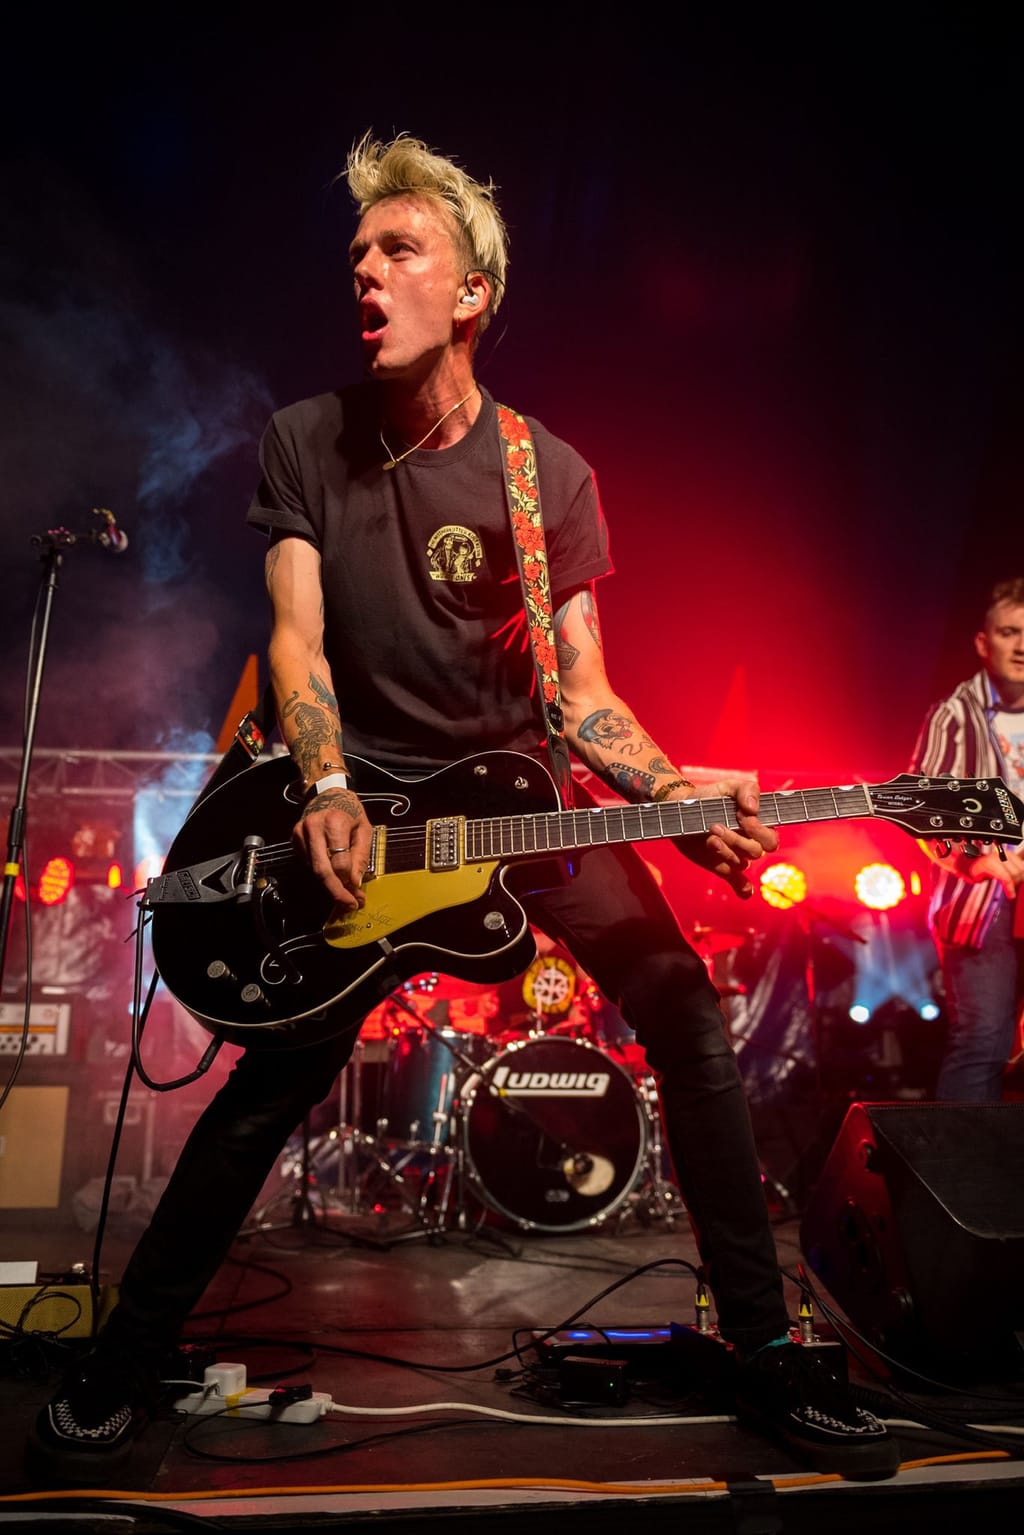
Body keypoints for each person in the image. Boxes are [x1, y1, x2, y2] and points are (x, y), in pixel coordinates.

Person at [29, 132, 898, 1483]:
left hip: (521, 806)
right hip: (362, 813)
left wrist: (669, 792)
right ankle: (122, 1359)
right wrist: (322, 785)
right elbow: (297, 637)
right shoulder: (305, 439)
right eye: (357, 257)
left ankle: (770, 1349)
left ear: (472, 290)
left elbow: (588, 693)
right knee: (271, 1088)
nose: (365, 277)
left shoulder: (546, 471)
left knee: (679, 1000)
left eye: (398, 251)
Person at [908, 578, 1024, 1100]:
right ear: (984, 642)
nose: (1022, 645)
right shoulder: (955, 715)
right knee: (983, 1043)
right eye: (1009, 632)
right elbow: (924, 813)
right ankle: (959, 1181)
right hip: (983, 905)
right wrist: (976, 863)